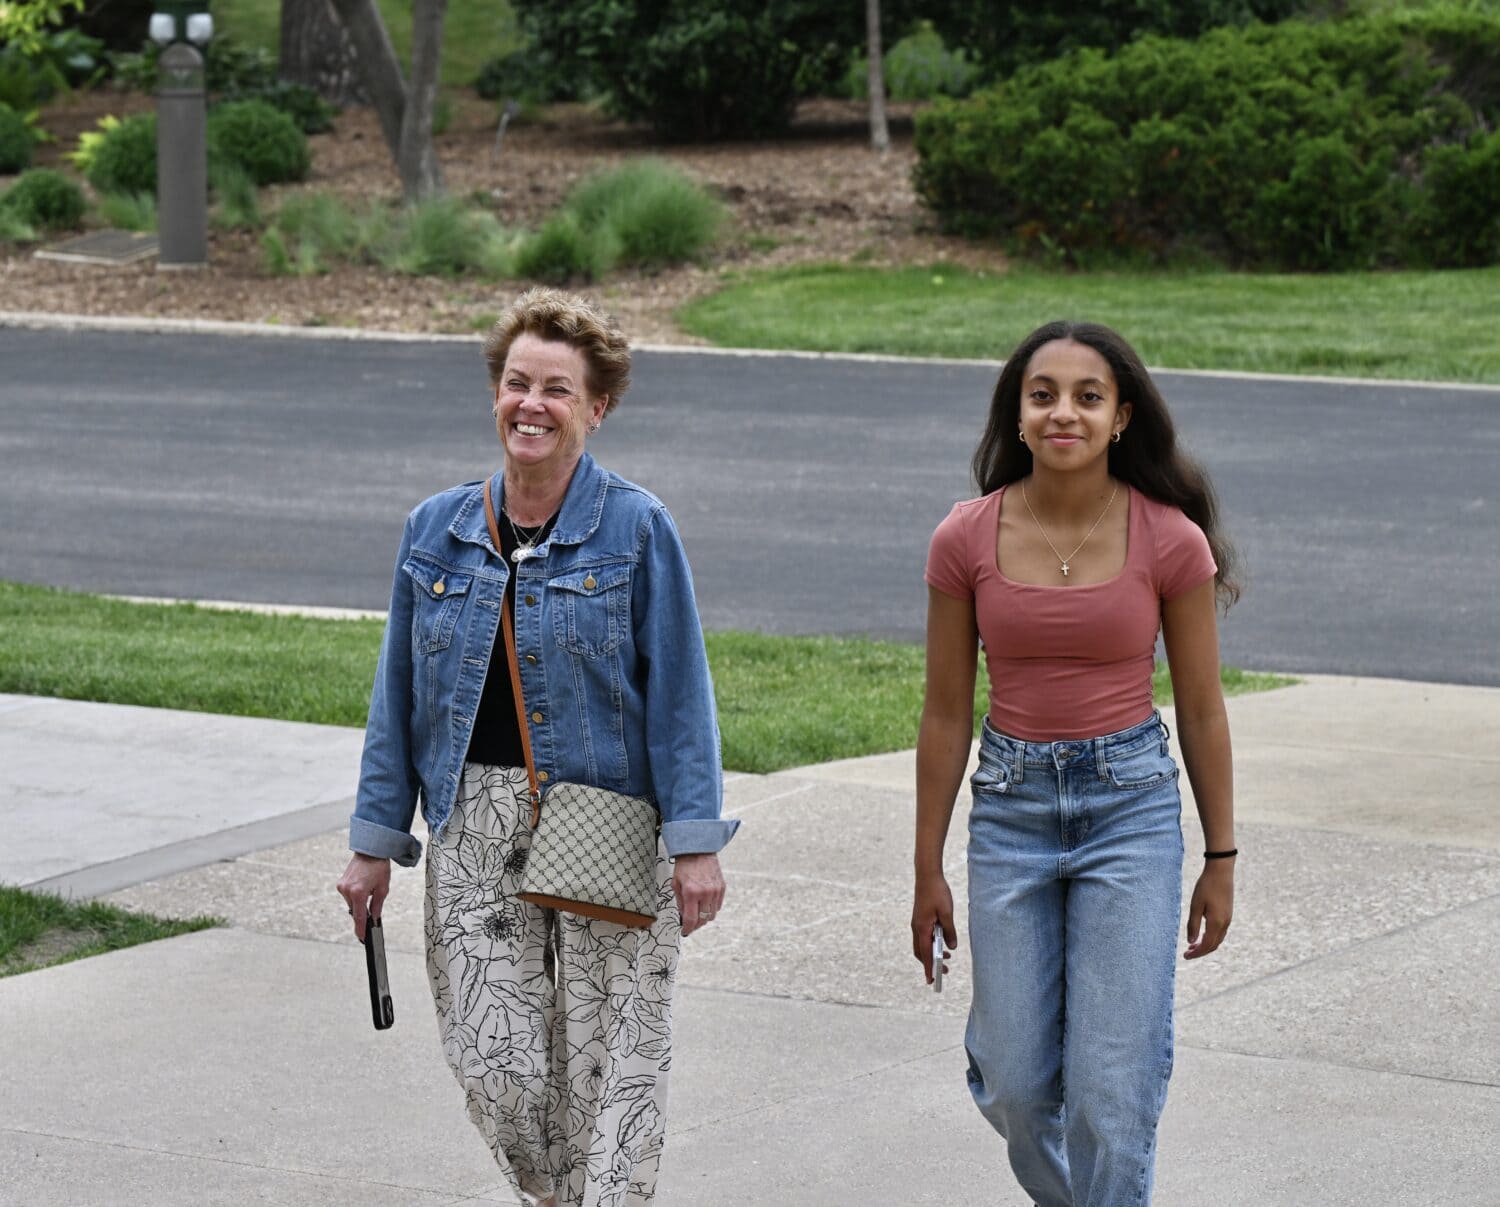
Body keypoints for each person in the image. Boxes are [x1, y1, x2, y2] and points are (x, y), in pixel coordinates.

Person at [337, 287, 736, 1207]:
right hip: (472, 819)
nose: (533, 404)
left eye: (558, 389)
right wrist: (373, 843)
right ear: (495, 393)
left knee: (612, 1060)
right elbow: (396, 700)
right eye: (518, 382)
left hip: (609, 818)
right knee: (496, 1061)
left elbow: (682, 694)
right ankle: (551, 1194)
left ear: (597, 408)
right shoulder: (435, 530)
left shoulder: (638, 528)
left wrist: (696, 840)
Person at [912, 320, 1239, 1206]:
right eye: (1043, 395)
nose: (1065, 412)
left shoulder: (1171, 539)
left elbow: (1203, 708)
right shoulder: (964, 537)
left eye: (1088, 397)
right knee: (1016, 1085)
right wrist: (926, 865)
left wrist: (1221, 856)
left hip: (1130, 811)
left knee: (1110, 1091)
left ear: (1121, 416)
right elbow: (944, 713)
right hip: (1010, 810)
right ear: (1017, 416)